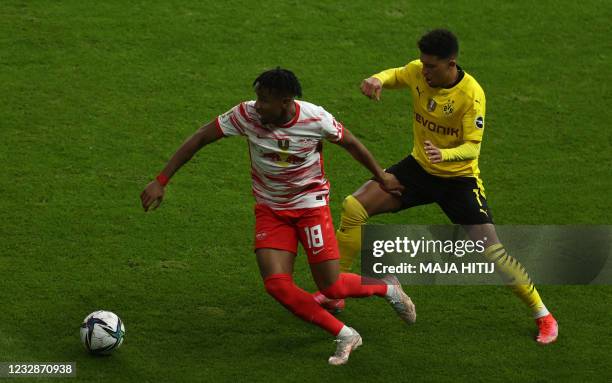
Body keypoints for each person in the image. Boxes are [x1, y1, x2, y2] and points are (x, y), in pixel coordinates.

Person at [140, 68, 416, 365]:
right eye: (257, 98)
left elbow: (352, 144)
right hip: (271, 210)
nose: (256, 106)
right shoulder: (245, 115)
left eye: (264, 100)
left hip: (310, 208)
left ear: (286, 102)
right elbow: (200, 138)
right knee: (276, 284)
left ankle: (387, 287)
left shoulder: (315, 118)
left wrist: (382, 177)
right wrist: (161, 180)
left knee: (331, 287)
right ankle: (346, 334)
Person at [316, 29, 558, 344]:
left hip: (458, 181)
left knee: (493, 252)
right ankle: (336, 292)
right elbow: (397, 75)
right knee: (354, 206)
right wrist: (378, 79)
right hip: (419, 169)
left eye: (431, 66)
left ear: (451, 64)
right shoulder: (419, 71)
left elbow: (473, 147)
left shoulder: (471, 95)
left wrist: (445, 154)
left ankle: (544, 316)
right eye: (423, 64)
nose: (424, 71)